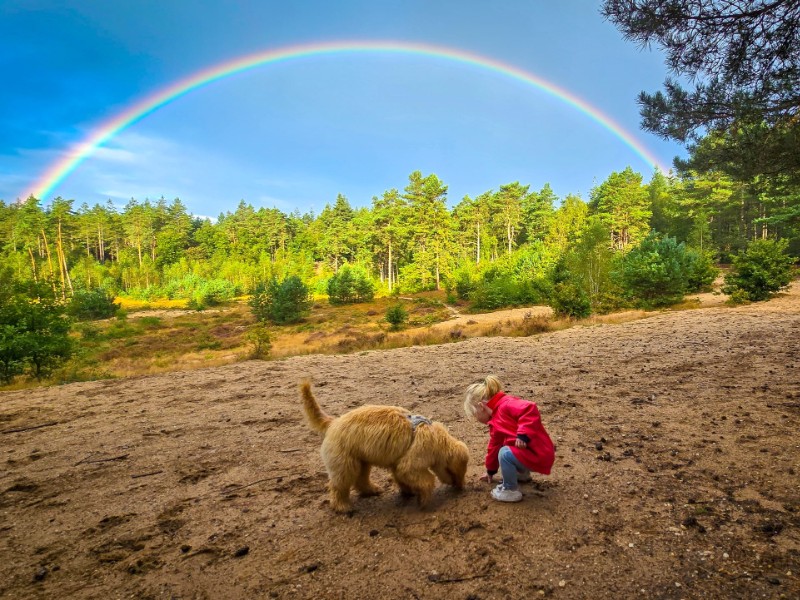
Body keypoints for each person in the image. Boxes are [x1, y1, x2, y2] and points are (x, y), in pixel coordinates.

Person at [464, 375, 555, 502]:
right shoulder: (495, 421)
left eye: (475, 415)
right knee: (503, 449)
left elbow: (529, 408)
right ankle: (522, 475)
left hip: (539, 453)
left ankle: (510, 490)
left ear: (481, 406)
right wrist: (490, 470)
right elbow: (493, 447)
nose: (476, 419)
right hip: (531, 453)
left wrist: (523, 434)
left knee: (505, 453)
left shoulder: (506, 404)